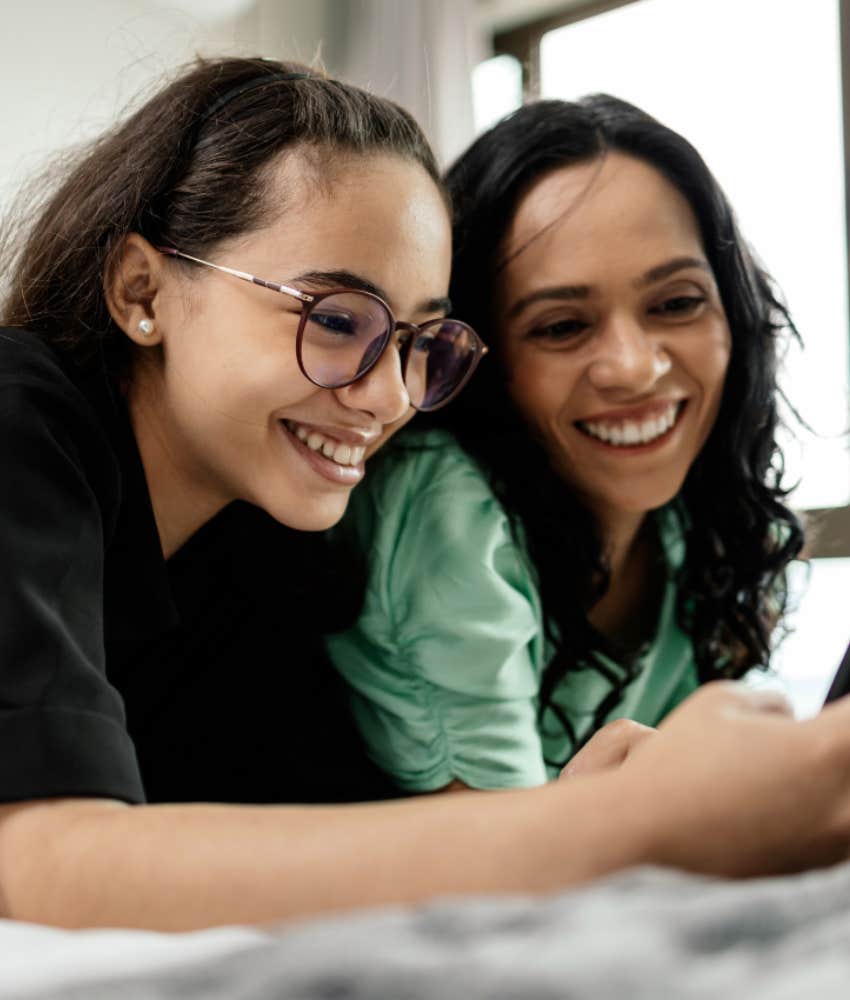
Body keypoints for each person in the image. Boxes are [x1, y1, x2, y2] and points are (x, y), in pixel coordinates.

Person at [0, 59, 849, 933]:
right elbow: (42, 863)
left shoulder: (258, 552)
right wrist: (604, 829)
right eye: (335, 320)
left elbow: (315, 854)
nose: (391, 397)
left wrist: (561, 815)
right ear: (142, 291)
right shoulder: (19, 422)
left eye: (416, 342)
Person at [327, 96, 803, 791]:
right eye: (561, 326)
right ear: (476, 359)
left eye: (675, 304)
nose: (634, 367)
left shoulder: (695, 527)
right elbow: (503, 873)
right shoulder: (448, 510)